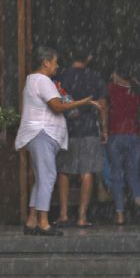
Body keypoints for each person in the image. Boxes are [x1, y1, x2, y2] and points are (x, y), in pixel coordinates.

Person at [15, 47, 100, 236]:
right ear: (46, 62)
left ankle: (32, 220)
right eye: (54, 61)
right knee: (48, 176)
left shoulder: (32, 80)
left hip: (39, 134)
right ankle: (43, 223)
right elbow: (57, 106)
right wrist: (82, 102)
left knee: (41, 178)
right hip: (42, 132)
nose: (57, 66)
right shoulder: (43, 80)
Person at [54, 48, 108, 228]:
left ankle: (63, 214)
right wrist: (104, 128)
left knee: (64, 170)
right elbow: (102, 105)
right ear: (89, 57)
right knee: (87, 171)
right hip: (89, 128)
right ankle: (82, 216)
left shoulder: (61, 75)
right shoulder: (95, 77)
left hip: (65, 128)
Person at [106, 60, 140, 225]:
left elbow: (103, 109)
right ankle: (138, 200)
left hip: (115, 136)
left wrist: (103, 130)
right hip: (134, 136)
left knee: (117, 175)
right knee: (133, 172)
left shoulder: (110, 90)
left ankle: (120, 214)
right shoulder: (137, 91)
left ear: (117, 74)